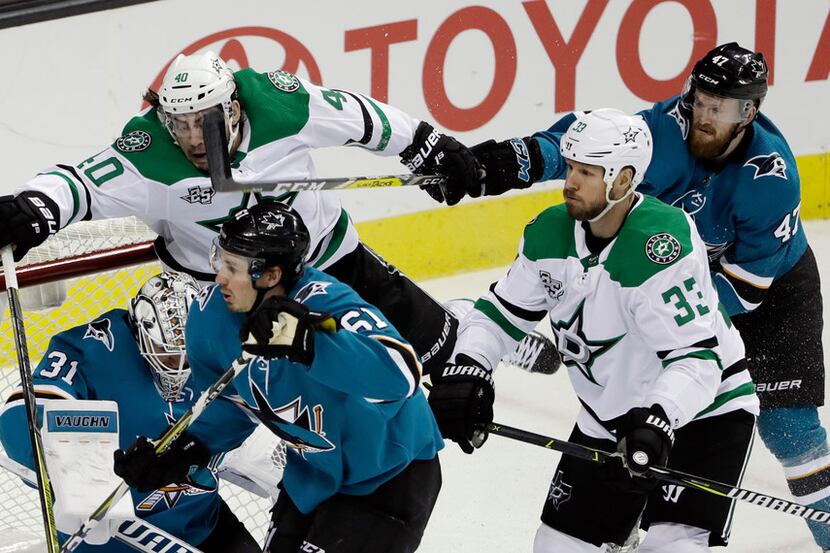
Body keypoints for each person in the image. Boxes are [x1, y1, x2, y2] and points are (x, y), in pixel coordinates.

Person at [443, 41, 830, 550]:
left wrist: (627, 316)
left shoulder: (771, 176)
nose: (703, 116)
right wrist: (498, 163)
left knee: (790, 429)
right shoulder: (662, 130)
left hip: (763, 294)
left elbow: (742, 291)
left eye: (721, 108)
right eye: (701, 100)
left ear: (749, 113)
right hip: (657, 280)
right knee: (631, 401)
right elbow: (578, 150)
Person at [0, 50, 480, 378]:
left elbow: (358, 116)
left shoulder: (279, 104)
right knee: (290, 411)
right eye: (178, 124)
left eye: (202, 122)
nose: (190, 138)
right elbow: (80, 183)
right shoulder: (149, 155)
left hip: (331, 264)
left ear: (232, 107)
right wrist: (36, 207)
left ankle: (480, 326)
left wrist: (424, 143)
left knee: (440, 349)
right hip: (229, 302)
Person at [428, 110, 759, 551]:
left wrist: (659, 417)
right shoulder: (549, 232)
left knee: (674, 547)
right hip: (609, 419)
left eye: (586, 172)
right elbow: (499, 315)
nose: (570, 182)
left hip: (702, 416)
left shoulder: (661, 245)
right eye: (569, 168)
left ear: (623, 180)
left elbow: (697, 360)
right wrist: (471, 365)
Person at [112, 200, 444, 553]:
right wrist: (186, 448)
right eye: (219, 260)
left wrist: (311, 342)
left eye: (232, 267)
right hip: (310, 480)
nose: (219, 277)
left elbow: (402, 374)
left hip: (388, 476)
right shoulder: (209, 319)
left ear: (270, 275)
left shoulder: (327, 303)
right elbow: (228, 402)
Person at [0, 271, 259, 552]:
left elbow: (253, 404)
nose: (179, 366)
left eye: (187, 352)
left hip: (200, 522)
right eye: (167, 353)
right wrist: (73, 473)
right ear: (140, 330)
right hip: (111, 539)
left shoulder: (214, 343)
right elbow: (22, 413)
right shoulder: (93, 348)